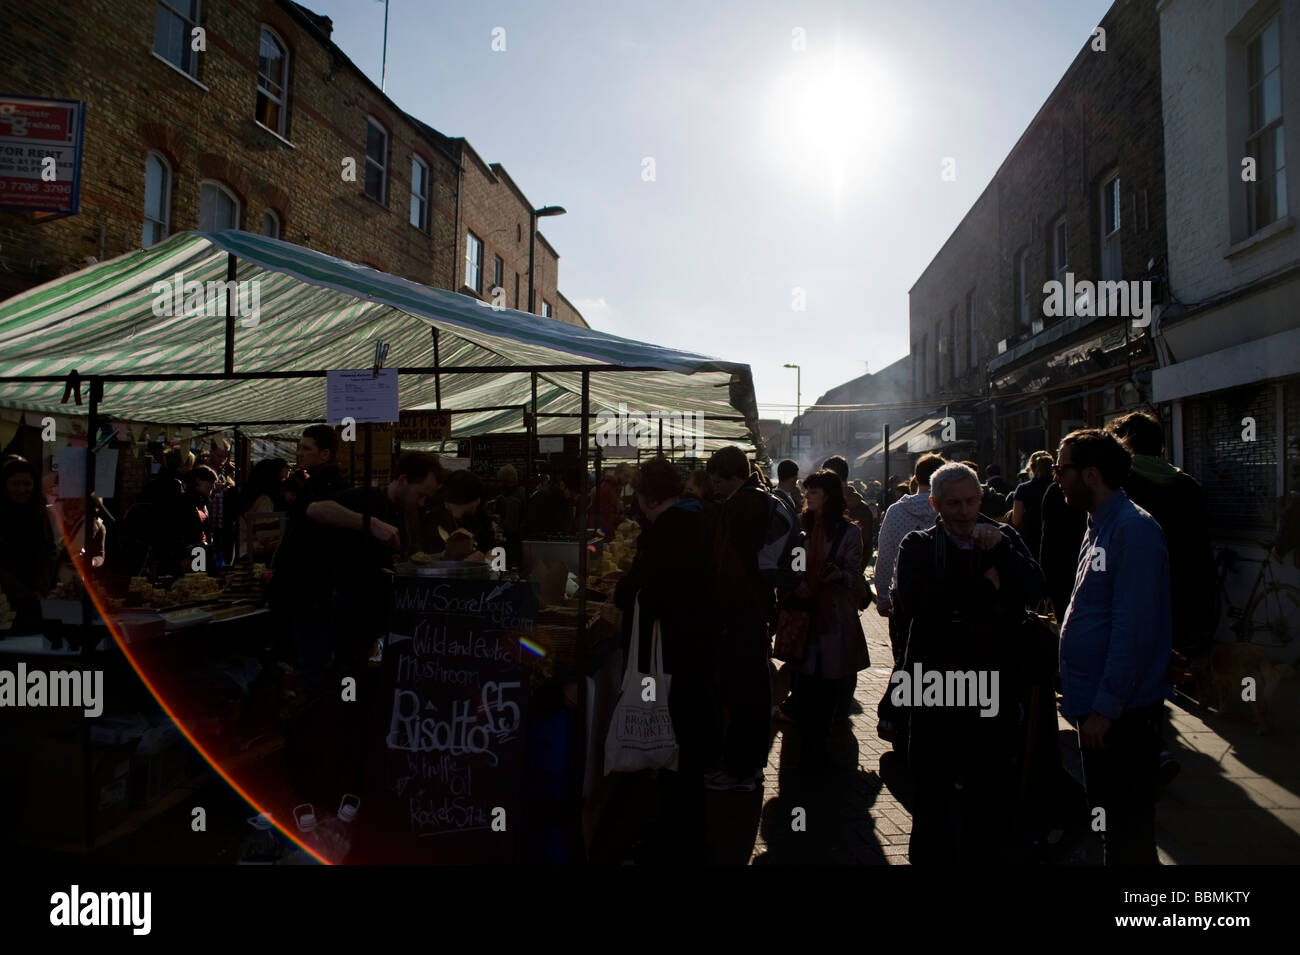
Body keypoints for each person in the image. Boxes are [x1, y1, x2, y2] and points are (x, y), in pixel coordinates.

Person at [892, 463, 1044, 864]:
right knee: (932, 792)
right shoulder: (918, 545)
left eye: (971, 501)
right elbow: (921, 607)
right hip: (933, 684)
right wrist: (985, 587)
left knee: (990, 790)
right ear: (935, 504)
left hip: (993, 683)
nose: (964, 511)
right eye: (953, 504)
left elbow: (1032, 589)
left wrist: (1001, 552)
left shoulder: (1005, 537)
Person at [1055, 429, 1172, 866]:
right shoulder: (1099, 524)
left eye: (1061, 469)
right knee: (1109, 829)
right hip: (1098, 707)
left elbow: (1132, 629)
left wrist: (1105, 709)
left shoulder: (1132, 530)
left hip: (1122, 716)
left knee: (1128, 836)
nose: (1056, 479)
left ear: (1090, 474)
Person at [612, 456, 713, 861]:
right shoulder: (699, 520)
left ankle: (672, 841)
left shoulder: (664, 531)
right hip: (695, 647)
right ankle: (687, 832)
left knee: (674, 743)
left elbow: (646, 593)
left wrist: (626, 591)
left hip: (670, 652)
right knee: (686, 747)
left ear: (645, 495)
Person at [703, 446, 774, 792]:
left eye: (717, 478)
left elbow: (731, 567)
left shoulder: (740, 505)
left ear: (732, 476)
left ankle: (739, 770)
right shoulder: (759, 497)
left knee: (741, 692)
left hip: (741, 613)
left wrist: (721, 613)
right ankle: (750, 767)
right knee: (753, 690)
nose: (713, 485)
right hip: (756, 609)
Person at [790, 469, 869, 771]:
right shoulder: (802, 528)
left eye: (814, 492)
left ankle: (819, 746)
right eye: (807, 491)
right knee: (806, 685)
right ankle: (810, 744)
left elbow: (854, 574)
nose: (807, 496)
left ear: (830, 497)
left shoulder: (849, 533)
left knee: (827, 687)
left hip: (834, 618)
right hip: (806, 616)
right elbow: (794, 565)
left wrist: (840, 575)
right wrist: (799, 584)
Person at [0, 456, 57, 629]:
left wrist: (42, 588)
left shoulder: (39, 511)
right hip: (5, 599)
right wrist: (22, 592)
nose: (22, 489)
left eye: (27, 484)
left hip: (38, 595)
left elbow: (48, 550)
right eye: (15, 484)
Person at [1037, 480, 1087, 623]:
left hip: (1060, 567)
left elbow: (1047, 538)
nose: (1058, 477)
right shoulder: (1057, 491)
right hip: (1069, 566)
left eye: (1060, 469)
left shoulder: (1054, 491)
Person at [822, 455, 874, 565]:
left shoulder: (825, 505)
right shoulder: (863, 508)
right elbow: (867, 548)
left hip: (839, 576)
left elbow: (865, 548)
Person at [238, 458, 288, 560]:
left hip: (243, 549)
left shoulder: (249, 496)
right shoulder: (264, 500)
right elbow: (263, 535)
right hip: (253, 551)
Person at [1011, 451, 1055, 560]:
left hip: (1032, 539)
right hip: (1059, 538)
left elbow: (1016, 520)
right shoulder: (1059, 487)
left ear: (1031, 467)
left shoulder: (1023, 489)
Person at [495, 464, 527, 568]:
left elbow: (510, 527)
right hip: (520, 542)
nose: (498, 484)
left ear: (506, 482)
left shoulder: (513, 500)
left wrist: (496, 521)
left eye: (500, 481)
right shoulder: (521, 492)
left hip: (512, 545)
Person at [597, 463, 633, 537]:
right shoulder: (607, 488)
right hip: (603, 531)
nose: (628, 480)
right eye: (626, 476)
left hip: (607, 530)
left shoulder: (614, 488)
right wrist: (623, 519)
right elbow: (606, 516)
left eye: (629, 477)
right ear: (618, 473)